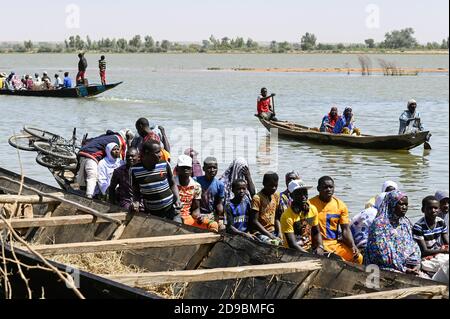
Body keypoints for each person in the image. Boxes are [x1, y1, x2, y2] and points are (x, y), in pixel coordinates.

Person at [365, 190, 422, 274]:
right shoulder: (380, 224)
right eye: (401, 204)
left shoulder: (405, 222)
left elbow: (413, 245)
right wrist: (404, 269)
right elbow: (383, 255)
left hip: (407, 266)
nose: (404, 207)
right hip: (384, 268)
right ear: (392, 204)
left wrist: (416, 263)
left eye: (406, 204)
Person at [310, 176, 363, 264]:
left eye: (331, 187)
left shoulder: (340, 205)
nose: (328, 189)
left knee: (358, 258)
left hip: (334, 243)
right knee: (339, 261)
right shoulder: (310, 204)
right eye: (325, 187)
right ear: (318, 189)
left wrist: (352, 246)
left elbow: (345, 230)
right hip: (318, 244)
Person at [130, 140, 182, 222]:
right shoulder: (135, 170)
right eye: (157, 152)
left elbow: (172, 184)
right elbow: (136, 191)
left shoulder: (164, 164)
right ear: (147, 153)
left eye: (160, 151)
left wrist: (177, 199)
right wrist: (136, 202)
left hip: (171, 209)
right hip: (152, 213)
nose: (160, 154)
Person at [76, 130, 131, 199]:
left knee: (83, 177)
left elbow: (90, 140)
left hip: (82, 152)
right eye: (114, 149)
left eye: (117, 149)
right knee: (92, 176)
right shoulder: (119, 140)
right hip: (91, 155)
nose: (117, 151)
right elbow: (123, 154)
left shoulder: (107, 136)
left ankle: (86, 191)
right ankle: (89, 196)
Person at [175, 155, 218, 232]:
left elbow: (195, 209)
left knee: (213, 225)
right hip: (173, 217)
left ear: (191, 169)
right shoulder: (172, 183)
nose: (185, 170)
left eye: (187, 167)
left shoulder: (196, 186)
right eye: (183, 167)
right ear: (177, 168)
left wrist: (198, 216)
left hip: (187, 217)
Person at [281, 180, 324, 254]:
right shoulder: (287, 216)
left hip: (309, 250)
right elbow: (292, 244)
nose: (303, 196)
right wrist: (309, 255)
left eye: (305, 193)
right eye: (299, 193)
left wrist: (320, 247)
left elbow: (316, 232)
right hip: (292, 252)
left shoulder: (312, 209)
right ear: (291, 196)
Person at [250, 172, 282, 244]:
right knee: (272, 243)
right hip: (260, 232)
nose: (274, 188)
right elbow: (254, 221)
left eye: (275, 186)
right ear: (264, 184)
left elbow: (276, 218)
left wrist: (280, 232)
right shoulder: (257, 198)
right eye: (271, 186)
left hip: (273, 231)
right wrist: (270, 235)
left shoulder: (276, 196)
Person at [195, 157, 225, 229]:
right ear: (203, 169)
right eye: (209, 168)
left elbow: (219, 203)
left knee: (222, 227)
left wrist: (220, 211)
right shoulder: (196, 181)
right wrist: (198, 215)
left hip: (212, 214)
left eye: (214, 168)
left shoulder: (220, 185)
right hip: (199, 213)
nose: (212, 170)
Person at [109, 147, 140, 211]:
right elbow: (111, 188)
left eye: (132, 156)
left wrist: (138, 202)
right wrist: (112, 204)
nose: (130, 158)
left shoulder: (142, 170)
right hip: (126, 202)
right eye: (128, 156)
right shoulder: (119, 171)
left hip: (141, 201)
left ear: (138, 157)